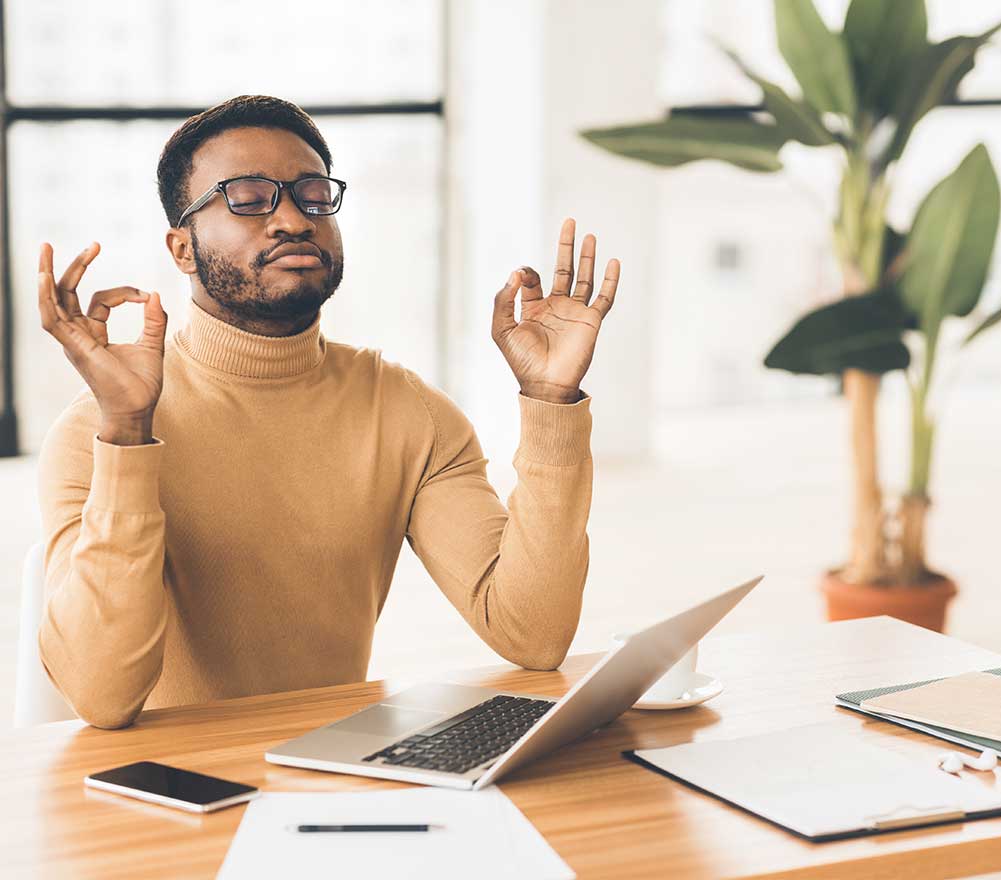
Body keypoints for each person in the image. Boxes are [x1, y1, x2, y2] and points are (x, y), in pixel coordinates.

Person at [35, 95, 620, 729]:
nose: (292, 219)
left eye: (312, 194)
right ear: (182, 249)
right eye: (249, 197)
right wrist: (126, 435)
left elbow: (532, 633)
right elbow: (101, 695)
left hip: (333, 776)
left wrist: (551, 402)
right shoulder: (94, 433)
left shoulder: (407, 411)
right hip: (157, 797)